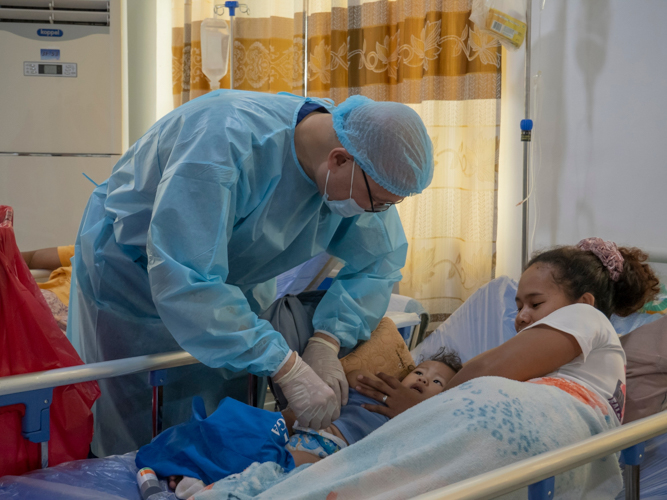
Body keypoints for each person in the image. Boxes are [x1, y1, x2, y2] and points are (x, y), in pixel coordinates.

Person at [67, 90, 434, 456]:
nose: (377, 213)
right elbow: (186, 276)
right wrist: (284, 364)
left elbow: (378, 264)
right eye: (378, 204)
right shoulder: (222, 143)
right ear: (339, 159)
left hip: (231, 281)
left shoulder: (359, 164)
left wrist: (327, 340)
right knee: (132, 416)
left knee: (222, 412)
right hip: (132, 275)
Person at [357, 238, 660, 423]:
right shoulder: (567, 362)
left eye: (535, 304)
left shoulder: (587, 318)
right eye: (518, 307)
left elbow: (488, 368)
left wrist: (422, 411)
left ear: (583, 302)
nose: (522, 317)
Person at [135, 348, 462, 499]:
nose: (424, 379)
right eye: (420, 372)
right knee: (236, 432)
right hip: (303, 432)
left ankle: (214, 492)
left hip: (328, 452)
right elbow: (349, 382)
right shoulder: (377, 389)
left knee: (274, 474)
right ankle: (192, 474)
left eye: (437, 383)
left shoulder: (421, 418)